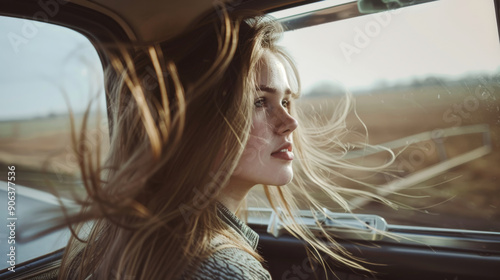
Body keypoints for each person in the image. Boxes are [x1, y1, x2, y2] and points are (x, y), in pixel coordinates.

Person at [55, 4, 395, 280]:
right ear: (194, 123)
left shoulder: (119, 241)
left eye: (287, 101)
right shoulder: (227, 270)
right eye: (259, 102)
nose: (290, 122)